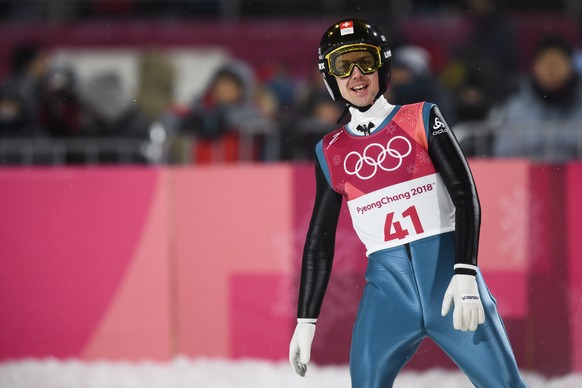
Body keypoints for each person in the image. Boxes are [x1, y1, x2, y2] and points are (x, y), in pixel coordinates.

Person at [288, 18, 527, 387]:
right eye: (342, 65)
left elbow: (465, 195)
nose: (355, 74)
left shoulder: (422, 117)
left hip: (450, 285)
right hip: (387, 292)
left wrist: (465, 272)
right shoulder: (329, 151)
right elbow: (319, 241)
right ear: (329, 78)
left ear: (382, 66)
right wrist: (306, 320)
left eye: (365, 62)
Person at [490, 33, 582, 163]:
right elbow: (503, 156)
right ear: (536, 67)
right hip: (525, 181)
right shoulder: (516, 108)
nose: (551, 68)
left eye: (557, 62)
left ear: (570, 67)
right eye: (546, 62)